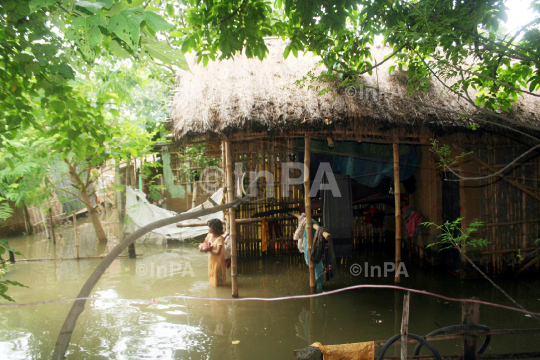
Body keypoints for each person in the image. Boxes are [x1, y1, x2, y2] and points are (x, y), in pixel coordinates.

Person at [199, 219, 226, 286]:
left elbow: (217, 252)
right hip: (211, 260)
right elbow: (204, 244)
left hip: (218, 262)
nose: (208, 229)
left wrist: (209, 250)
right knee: (211, 276)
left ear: (214, 228)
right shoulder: (209, 235)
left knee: (218, 279)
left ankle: (219, 293)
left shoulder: (220, 238)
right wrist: (202, 248)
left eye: (209, 227)